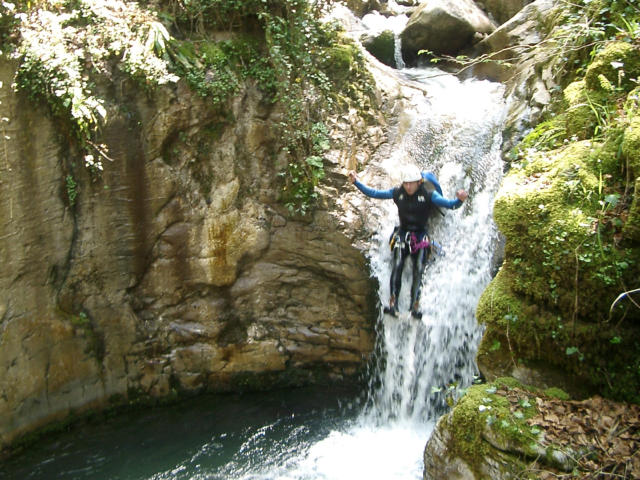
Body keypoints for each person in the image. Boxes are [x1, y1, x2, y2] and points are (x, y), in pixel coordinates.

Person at [348, 164, 468, 319]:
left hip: (420, 235)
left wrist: (460, 200)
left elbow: (450, 205)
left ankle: (415, 306)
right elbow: (374, 193)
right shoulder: (397, 193)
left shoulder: (429, 194)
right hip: (403, 233)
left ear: (419, 182)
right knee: (397, 263)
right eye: (406, 183)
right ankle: (393, 303)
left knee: (419, 267)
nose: (408, 186)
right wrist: (356, 182)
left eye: (411, 183)